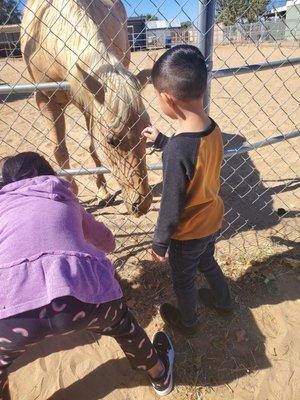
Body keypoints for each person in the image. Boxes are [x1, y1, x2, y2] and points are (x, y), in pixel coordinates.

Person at [0, 152, 174, 399]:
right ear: (48, 173)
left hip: (14, 316)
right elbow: (107, 242)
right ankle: (159, 373)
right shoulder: (64, 197)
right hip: (80, 306)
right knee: (124, 326)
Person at [142, 45, 232, 337]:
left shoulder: (179, 150)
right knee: (207, 261)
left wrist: (160, 242)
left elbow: (171, 204)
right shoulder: (213, 127)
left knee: (183, 279)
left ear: (167, 99)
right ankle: (224, 302)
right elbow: (194, 159)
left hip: (188, 232)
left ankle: (189, 323)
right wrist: (163, 141)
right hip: (212, 219)